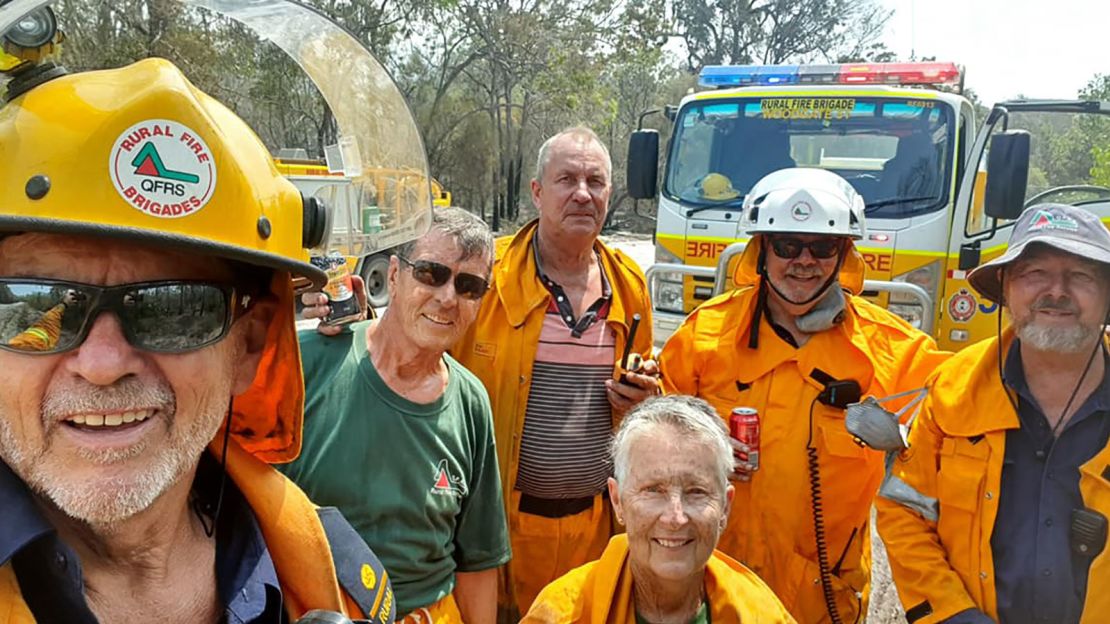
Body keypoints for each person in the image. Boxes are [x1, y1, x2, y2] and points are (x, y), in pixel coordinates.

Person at [0, 59, 396, 623]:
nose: (103, 364)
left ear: (250, 346)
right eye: (36, 303)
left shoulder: (332, 577)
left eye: (173, 310)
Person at [658, 167, 950, 623]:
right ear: (761, 251)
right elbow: (655, 440)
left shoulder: (894, 352)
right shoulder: (705, 335)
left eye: (823, 246)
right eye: (787, 245)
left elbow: (966, 411)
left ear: (844, 254)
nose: (804, 260)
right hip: (711, 584)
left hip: (823, 597)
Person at [877, 203, 1110, 624]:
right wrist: (951, 615)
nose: (1056, 291)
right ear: (1005, 289)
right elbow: (905, 513)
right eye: (1034, 273)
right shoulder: (951, 390)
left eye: (1080, 275)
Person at [281, 207, 511, 623]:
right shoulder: (308, 363)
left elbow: (478, 560)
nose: (447, 297)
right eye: (430, 273)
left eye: (468, 285)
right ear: (392, 275)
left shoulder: (471, 403)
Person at [521, 395, 796, 623]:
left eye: (696, 492)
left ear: (725, 506)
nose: (675, 518)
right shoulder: (561, 615)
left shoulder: (761, 614)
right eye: (653, 490)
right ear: (618, 501)